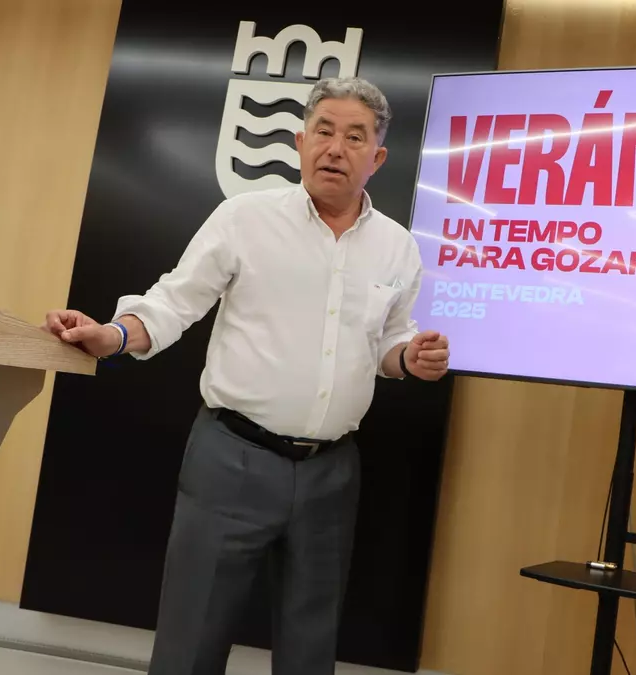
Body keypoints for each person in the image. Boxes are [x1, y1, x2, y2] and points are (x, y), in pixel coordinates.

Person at [44, 76, 449, 675]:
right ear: (300, 141)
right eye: (323, 131)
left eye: (355, 137)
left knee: (311, 649)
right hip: (232, 458)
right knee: (192, 642)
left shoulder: (398, 247)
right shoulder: (244, 219)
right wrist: (113, 335)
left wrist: (409, 356)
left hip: (332, 472)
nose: (335, 148)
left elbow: (388, 340)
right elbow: (173, 301)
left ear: (378, 157)